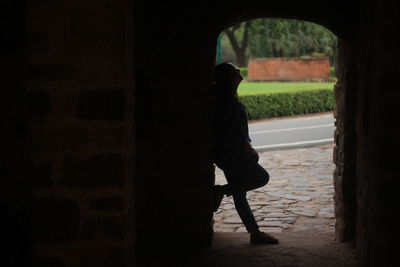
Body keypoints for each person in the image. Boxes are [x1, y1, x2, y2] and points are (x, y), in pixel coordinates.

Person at [213, 62, 279, 244]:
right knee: (261, 177)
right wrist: (247, 148)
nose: (239, 71)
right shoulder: (226, 101)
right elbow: (233, 131)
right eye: (235, 71)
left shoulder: (227, 98)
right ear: (228, 78)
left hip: (228, 153)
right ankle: (219, 191)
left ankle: (255, 232)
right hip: (232, 154)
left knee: (240, 191)